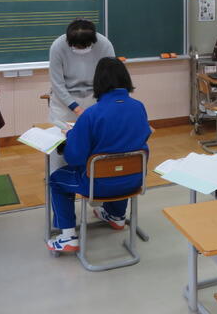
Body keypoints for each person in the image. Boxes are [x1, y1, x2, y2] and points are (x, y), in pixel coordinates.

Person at [47, 57, 151, 252]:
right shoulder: (139, 107)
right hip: (135, 180)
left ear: (98, 83)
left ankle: (67, 236)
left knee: (56, 180)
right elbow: (143, 136)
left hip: (97, 185)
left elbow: (74, 158)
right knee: (121, 163)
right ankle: (117, 216)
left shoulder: (91, 114)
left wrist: (71, 136)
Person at [48, 18, 115, 126]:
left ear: (93, 40)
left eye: (84, 46)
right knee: (61, 134)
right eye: (76, 46)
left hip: (95, 97)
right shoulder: (58, 46)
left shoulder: (104, 45)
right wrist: (76, 108)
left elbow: (110, 78)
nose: (80, 49)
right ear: (69, 41)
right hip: (64, 101)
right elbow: (57, 83)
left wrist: (103, 103)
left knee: (95, 132)